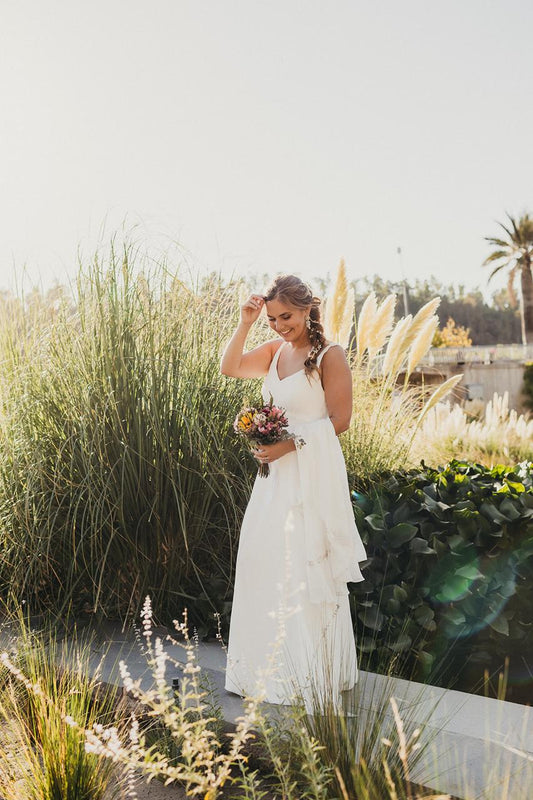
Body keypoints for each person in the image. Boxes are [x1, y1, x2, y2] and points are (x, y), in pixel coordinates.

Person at [220, 274, 367, 709]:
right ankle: (263, 671)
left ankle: (308, 674)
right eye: (272, 318)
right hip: (273, 482)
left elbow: (340, 420)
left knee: (304, 569)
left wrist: (289, 444)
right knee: (263, 561)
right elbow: (229, 367)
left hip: (309, 478)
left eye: (286, 316)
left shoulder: (329, 354)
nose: (280, 325)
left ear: (307, 309)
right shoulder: (274, 351)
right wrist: (246, 323)